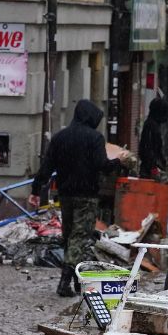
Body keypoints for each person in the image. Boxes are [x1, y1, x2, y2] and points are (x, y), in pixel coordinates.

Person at [30, 99, 112, 297]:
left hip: (65, 195)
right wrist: (120, 161)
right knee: (79, 237)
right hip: (87, 196)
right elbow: (102, 164)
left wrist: (35, 190)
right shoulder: (95, 138)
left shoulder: (60, 137)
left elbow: (47, 167)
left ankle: (76, 281)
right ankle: (64, 283)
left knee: (69, 236)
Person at [137, 96, 168, 179]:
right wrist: (153, 169)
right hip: (148, 171)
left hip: (151, 168)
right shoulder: (151, 126)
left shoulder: (154, 125)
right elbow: (147, 150)